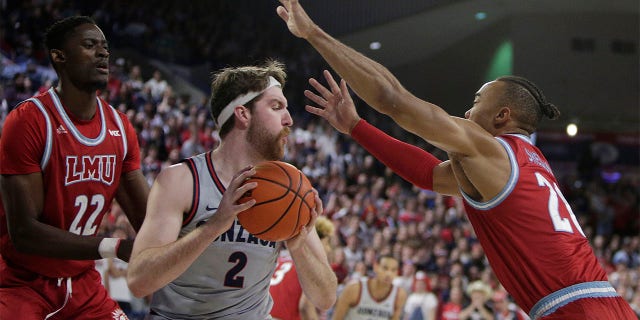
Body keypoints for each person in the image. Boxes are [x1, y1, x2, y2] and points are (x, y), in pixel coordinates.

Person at [276, 1, 637, 319]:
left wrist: (313, 34)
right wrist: (356, 127)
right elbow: (429, 175)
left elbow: (391, 99)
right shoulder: (530, 160)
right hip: (608, 305)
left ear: (501, 116)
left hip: (574, 310)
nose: (467, 109)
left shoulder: (491, 149)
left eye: (478, 100)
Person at [126, 60, 337, 319]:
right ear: (243, 114)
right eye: (276, 107)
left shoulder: (289, 187)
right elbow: (139, 282)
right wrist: (213, 227)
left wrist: (298, 246)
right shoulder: (181, 181)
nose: (289, 119)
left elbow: (325, 298)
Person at [0, 15, 149, 319]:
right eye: (90, 45)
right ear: (59, 56)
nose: (103, 53)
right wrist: (113, 246)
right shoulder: (29, 120)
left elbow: (148, 217)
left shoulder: (120, 128)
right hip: (20, 283)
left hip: (83, 285)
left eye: (105, 47)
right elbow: (24, 233)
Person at [270, 216, 334, 320]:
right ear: (317, 241)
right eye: (327, 243)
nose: (328, 249)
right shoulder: (309, 267)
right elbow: (305, 307)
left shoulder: (281, 258)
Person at [332, 255, 408, 320]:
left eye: (393, 270)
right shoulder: (354, 288)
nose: (388, 273)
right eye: (385, 268)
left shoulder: (399, 295)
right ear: (375, 267)